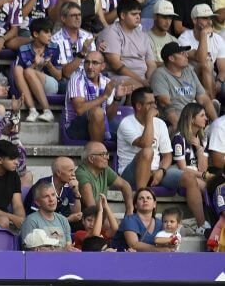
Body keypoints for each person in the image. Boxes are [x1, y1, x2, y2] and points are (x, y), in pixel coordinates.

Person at [117, 88, 209, 234]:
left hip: (156, 172)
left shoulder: (160, 123)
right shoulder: (127, 123)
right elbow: (146, 143)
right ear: (139, 106)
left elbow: (167, 156)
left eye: (155, 103)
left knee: (189, 177)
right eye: (150, 103)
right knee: (148, 152)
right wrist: (149, 120)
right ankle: (139, 210)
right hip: (130, 174)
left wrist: (162, 170)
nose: (155, 106)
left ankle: (202, 225)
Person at [63, 50, 128, 143]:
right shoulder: (76, 79)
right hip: (75, 127)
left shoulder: (107, 82)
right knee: (97, 112)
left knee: (126, 134)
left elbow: (108, 117)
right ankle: (99, 153)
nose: (89, 67)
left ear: (103, 66)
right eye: (87, 62)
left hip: (98, 124)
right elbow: (79, 109)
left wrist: (117, 99)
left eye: (95, 63)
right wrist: (104, 96)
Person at [150, 42, 214, 127]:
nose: (186, 55)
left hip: (194, 116)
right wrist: (182, 130)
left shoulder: (189, 71)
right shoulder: (159, 74)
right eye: (182, 53)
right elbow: (166, 104)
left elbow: (203, 98)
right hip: (175, 121)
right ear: (171, 58)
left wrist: (217, 122)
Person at [12, 17, 62, 123]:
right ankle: (32, 110)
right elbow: (19, 77)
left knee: (28, 71)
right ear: (35, 34)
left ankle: (47, 111)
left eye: (50, 32)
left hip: (50, 85)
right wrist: (35, 64)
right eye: (46, 32)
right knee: (17, 69)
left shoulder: (54, 47)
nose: (50, 35)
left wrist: (49, 65)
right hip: (30, 87)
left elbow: (59, 76)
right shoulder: (23, 49)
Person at [98, 0, 156, 88]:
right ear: (122, 15)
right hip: (117, 77)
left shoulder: (143, 35)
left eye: (139, 14)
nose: (138, 17)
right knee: (138, 87)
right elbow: (116, 65)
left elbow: (151, 64)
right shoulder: (111, 32)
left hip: (143, 78)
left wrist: (150, 80)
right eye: (134, 14)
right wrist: (142, 81)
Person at [177, 5, 225, 107]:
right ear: (194, 20)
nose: (209, 22)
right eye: (204, 18)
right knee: (206, 63)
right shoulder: (184, 38)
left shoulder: (217, 39)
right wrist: (203, 35)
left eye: (210, 18)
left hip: (210, 76)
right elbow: (200, 58)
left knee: (208, 66)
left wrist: (219, 81)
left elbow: (222, 68)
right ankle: (212, 107)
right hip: (190, 77)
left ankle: (210, 106)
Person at [76, 141, 134, 213]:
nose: (107, 158)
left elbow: (125, 185)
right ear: (91, 159)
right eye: (103, 155)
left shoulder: (104, 170)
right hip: (88, 220)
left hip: (100, 215)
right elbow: (92, 208)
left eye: (107, 154)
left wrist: (129, 210)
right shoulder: (81, 175)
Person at [20, 181, 78, 251]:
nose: (51, 199)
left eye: (53, 195)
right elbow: (31, 251)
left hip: (63, 260)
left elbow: (68, 247)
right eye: (46, 196)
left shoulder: (63, 220)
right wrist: (62, 251)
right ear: (37, 202)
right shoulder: (31, 221)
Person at [23, 157, 82, 223]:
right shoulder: (42, 186)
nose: (73, 174)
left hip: (61, 225)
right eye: (70, 171)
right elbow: (39, 220)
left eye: (74, 171)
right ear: (58, 173)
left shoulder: (69, 185)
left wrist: (76, 192)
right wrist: (67, 220)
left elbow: (77, 214)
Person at [52, 1, 97, 76]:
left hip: (88, 76)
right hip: (68, 80)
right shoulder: (55, 40)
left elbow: (94, 65)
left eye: (79, 15)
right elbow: (66, 73)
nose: (78, 18)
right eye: (73, 15)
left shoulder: (88, 36)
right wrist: (82, 53)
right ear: (63, 18)